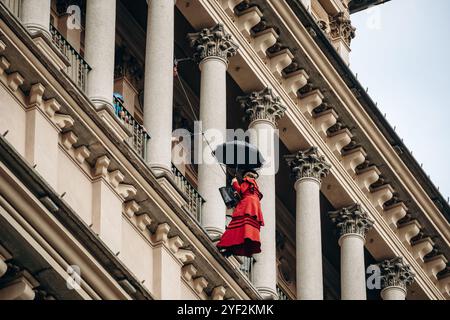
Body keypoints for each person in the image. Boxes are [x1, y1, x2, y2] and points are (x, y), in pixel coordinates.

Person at [217, 169, 264, 257]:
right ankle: (232, 248)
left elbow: (241, 190)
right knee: (246, 226)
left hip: (248, 204)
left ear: (246, 176)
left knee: (237, 224)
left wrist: (235, 182)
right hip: (254, 205)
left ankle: (227, 244)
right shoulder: (255, 185)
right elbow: (245, 193)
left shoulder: (247, 180)